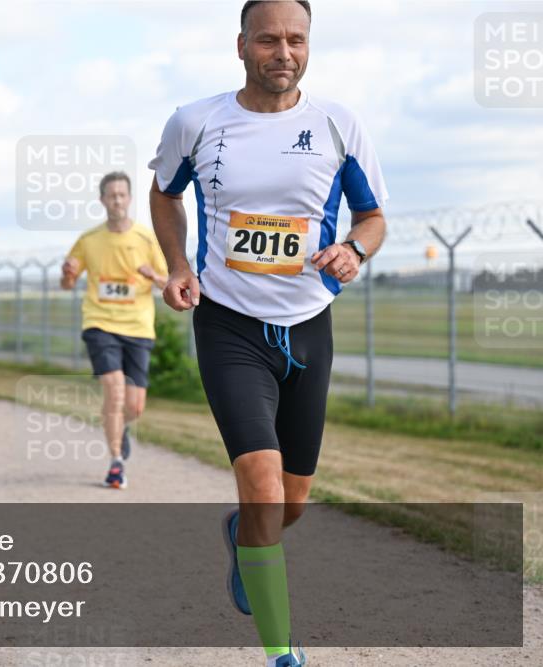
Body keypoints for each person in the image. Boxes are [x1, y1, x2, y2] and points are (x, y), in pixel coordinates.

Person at [148, 2, 388, 665]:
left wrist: (355, 251)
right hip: (228, 321)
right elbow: (164, 192)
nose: (284, 52)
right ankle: (282, 651)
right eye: (269, 39)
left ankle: (242, 536)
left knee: (292, 503)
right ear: (241, 46)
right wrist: (178, 265)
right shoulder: (195, 122)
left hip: (309, 324)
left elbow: (372, 217)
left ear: (308, 46)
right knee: (262, 485)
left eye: (296, 40)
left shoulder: (339, 124)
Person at [60, 171, 168, 490]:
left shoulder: (147, 239)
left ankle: (122, 427)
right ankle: (116, 462)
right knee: (114, 389)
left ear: (129, 199)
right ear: (102, 200)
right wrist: (67, 274)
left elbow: (168, 283)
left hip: (138, 326)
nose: (117, 200)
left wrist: (153, 276)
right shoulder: (88, 240)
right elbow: (67, 284)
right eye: (111, 195)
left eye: (122, 195)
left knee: (134, 406)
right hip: (100, 322)